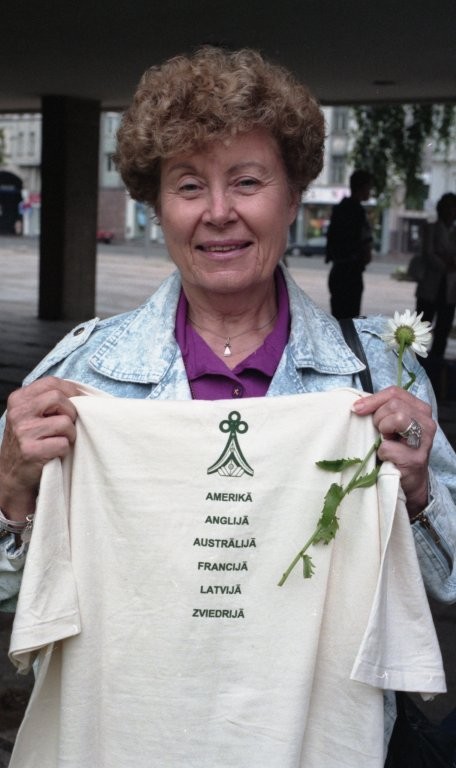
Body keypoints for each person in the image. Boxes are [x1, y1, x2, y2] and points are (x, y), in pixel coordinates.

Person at [0, 47, 455, 767]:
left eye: (247, 181)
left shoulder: (376, 376)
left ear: (294, 194)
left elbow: (448, 586)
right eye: (189, 186)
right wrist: (11, 499)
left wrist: (421, 494)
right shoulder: (81, 377)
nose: (218, 213)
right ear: (157, 206)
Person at [326, 168, 374, 318]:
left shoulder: (339, 209)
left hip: (338, 272)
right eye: (368, 187)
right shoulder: (358, 213)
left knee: (339, 319)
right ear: (362, 187)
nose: (370, 192)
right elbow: (365, 243)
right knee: (350, 319)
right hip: (351, 274)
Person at [416, 192, 456, 358]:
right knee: (421, 329)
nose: (450, 211)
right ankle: (415, 362)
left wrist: (447, 260)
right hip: (430, 285)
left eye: (453, 208)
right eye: (447, 207)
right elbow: (428, 254)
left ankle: (437, 364)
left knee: (443, 330)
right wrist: (447, 264)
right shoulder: (430, 228)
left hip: (450, 288)